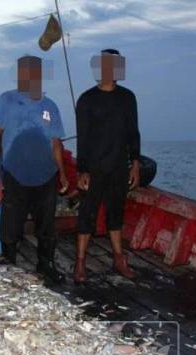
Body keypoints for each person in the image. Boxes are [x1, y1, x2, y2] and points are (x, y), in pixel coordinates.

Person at [0, 55, 69, 283]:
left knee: (47, 225)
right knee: (10, 225)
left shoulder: (50, 106)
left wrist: (62, 173)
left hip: (46, 175)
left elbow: (55, 143)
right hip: (14, 173)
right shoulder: (6, 100)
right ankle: (8, 265)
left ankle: (46, 264)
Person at [74, 49, 140, 283]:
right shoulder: (86, 100)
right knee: (86, 216)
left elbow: (134, 132)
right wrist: (82, 169)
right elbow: (82, 137)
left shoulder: (128, 98)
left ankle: (119, 258)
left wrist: (135, 163)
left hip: (119, 167)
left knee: (116, 214)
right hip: (93, 168)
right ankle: (80, 263)